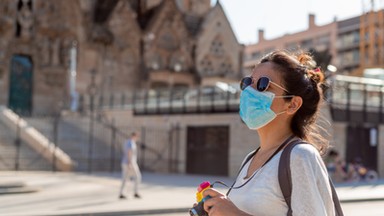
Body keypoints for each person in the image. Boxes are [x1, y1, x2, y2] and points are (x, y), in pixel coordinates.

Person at [201, 50, 336, 215]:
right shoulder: (250, 159)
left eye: (263, 84)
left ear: (292, 104)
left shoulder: (300, 155)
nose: (249, 91)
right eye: (248, 82)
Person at [119, 132, 142, 199]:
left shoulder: (127, 142)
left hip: (126, 162)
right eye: (137, 137)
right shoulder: (131, 143)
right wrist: (129, 163)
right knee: (138, 176)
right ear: (134, 136)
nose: (137, 139)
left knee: (125, 178)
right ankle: (135, 192)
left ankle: (122, 193)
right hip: (130, 163)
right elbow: (129, 152)